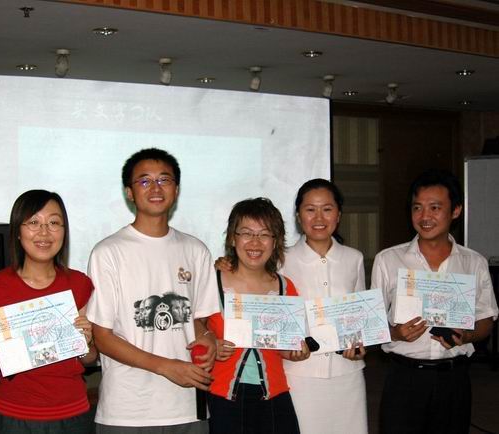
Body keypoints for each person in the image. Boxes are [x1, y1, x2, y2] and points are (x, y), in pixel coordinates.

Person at [86, 148, 220, 433]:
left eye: (164, 180)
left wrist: (207, 340)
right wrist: (166, 366)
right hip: (128, 411)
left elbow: (197, 321)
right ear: (129, 192)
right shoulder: (108, 252)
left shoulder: (196, 250)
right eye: (145, 181)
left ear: (176, 189)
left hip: (188, 407)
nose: (156, 188)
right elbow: (103, 337)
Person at [372, 169, 498, 434]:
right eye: (417, 207)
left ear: (455, 211)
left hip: (453, 379)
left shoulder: (473, 262)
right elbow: (372, 323)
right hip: (404, 378)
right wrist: (395, 333)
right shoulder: (388, 259)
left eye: (435, 208)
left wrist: (466, 336)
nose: (424, 216)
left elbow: (486, 319)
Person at [0, 190, 97, 434]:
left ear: (64, 231)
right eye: (33, 222)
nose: (44, 232)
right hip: (14, 416)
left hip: (73, 414)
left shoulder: (79, 284)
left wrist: (87, 342)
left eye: (54, 223)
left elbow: (90, 358)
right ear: (18, 232)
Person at [206, 198, 308, 434]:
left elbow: (284, 347)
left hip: (273, 397)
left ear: (276, 241)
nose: (255, 242)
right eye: (246, 233)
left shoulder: (286, 287)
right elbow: (193, 327)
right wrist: (210, 342)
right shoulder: (211, 281)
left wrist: (296, 352)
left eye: (264, 234)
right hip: (222, 397)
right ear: (233, 238)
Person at [279, 179, 368, 434]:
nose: (319, 217)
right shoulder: (281, 260)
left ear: (338, 215)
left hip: (347, 374)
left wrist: (360, 345)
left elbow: (360, 317)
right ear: (298, 216)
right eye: (310, 209)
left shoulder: (354, 258)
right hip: (300, 375)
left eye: (327, 209)